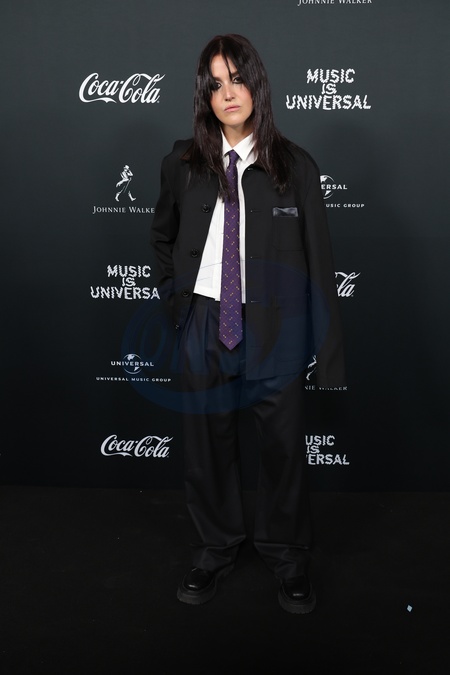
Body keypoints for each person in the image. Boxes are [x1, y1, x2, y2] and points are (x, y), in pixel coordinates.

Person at [151, 34, 345, 614]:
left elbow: (320, 264)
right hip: (205, 321)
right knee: (206, 449)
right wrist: (180, 307)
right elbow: (161, 239)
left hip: (275, 329)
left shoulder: (295, 166)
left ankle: (287, 557)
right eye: (215, 84)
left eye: (236, 79)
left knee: (283, 451)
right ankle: (214, 549)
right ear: (204, 96)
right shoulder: (181, 164)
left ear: (256, 84)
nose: (228, 93)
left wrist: (328, 355)